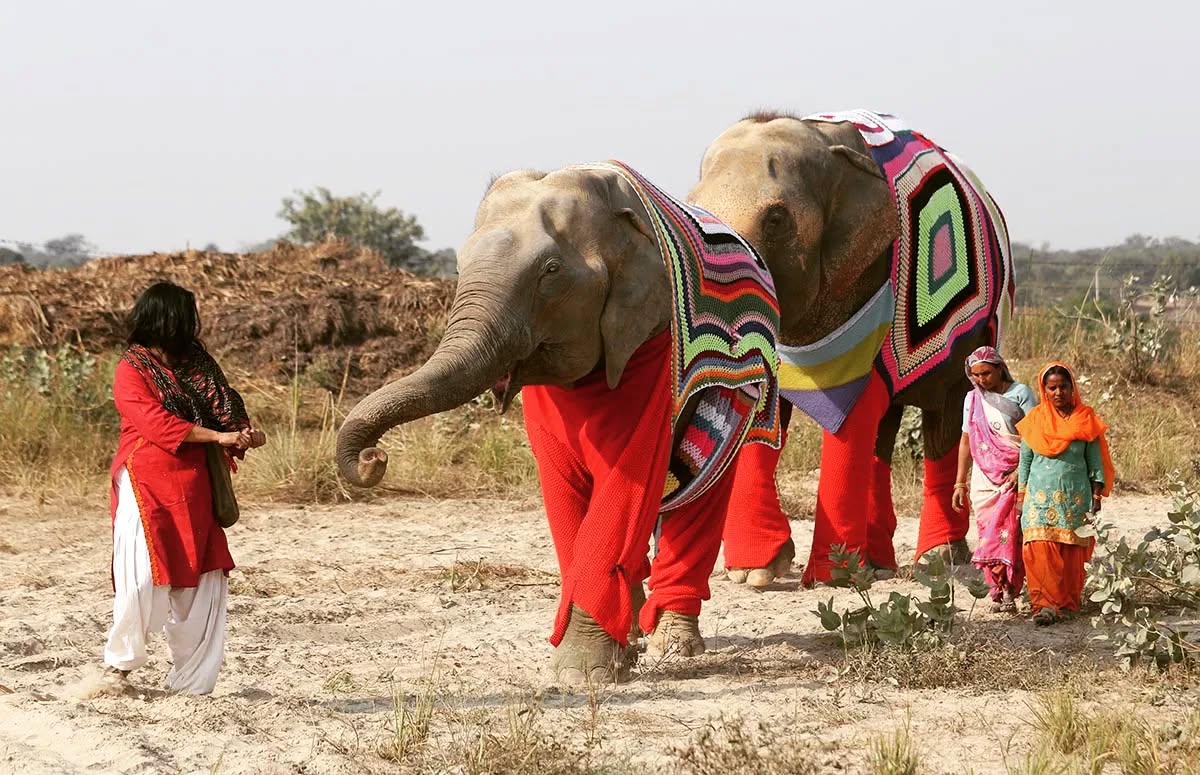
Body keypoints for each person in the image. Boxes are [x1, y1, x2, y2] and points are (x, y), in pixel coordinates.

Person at [102, 281, 266, 693]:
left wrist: (243, 433)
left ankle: (192, 684)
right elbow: (155, 424)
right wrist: (217, 438)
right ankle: (118, 669)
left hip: (197, 486)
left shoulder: (199, 362)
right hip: (147, 486)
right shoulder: (132, 369)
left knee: (205, 579)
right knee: (142, 577)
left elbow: (226, 407)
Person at [1015, 362, 1115, 625]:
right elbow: (1025, 462)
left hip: (1076, 498)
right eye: (1052, 388)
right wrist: (1020, 497)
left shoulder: (1086, 420)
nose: (1058, 392)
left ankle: (1067, 604)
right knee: (1038, 548)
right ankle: (1045, 606)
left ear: (1072, 388)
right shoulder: (1034, 421)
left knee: (1072, 550)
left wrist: (1096, 498)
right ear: (1044, 390)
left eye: (1063, 386)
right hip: (1038, 498)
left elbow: (1095, 464)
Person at [951, 347, 1037, 612]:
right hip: (983, 477)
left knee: (1010, 533)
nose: (981, 380)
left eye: (986, 373)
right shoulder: (972, 399)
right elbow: (967, 439)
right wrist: (959, 482)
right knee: (987, 532)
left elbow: (1034, 437)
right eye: (975, 375)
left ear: (1000, 368)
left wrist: (1018, 472)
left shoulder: (1021, 394)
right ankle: (996, 589)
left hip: (1014, 474)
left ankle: (1012, 589)